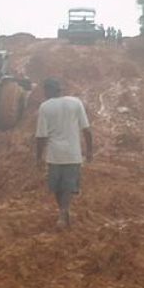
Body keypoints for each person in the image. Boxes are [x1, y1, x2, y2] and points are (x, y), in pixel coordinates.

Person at [36, 78, 93, 229]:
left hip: (54, 155)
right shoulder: (76, 102)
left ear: (48, 90)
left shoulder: (45, 107)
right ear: (60, 89)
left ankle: (62, 212)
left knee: (57, 187)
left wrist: (38, 157)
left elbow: (41, 136)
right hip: (73, 154)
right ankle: (64, 212)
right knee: (68, 186)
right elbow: (86, 129)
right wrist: (90, 151)